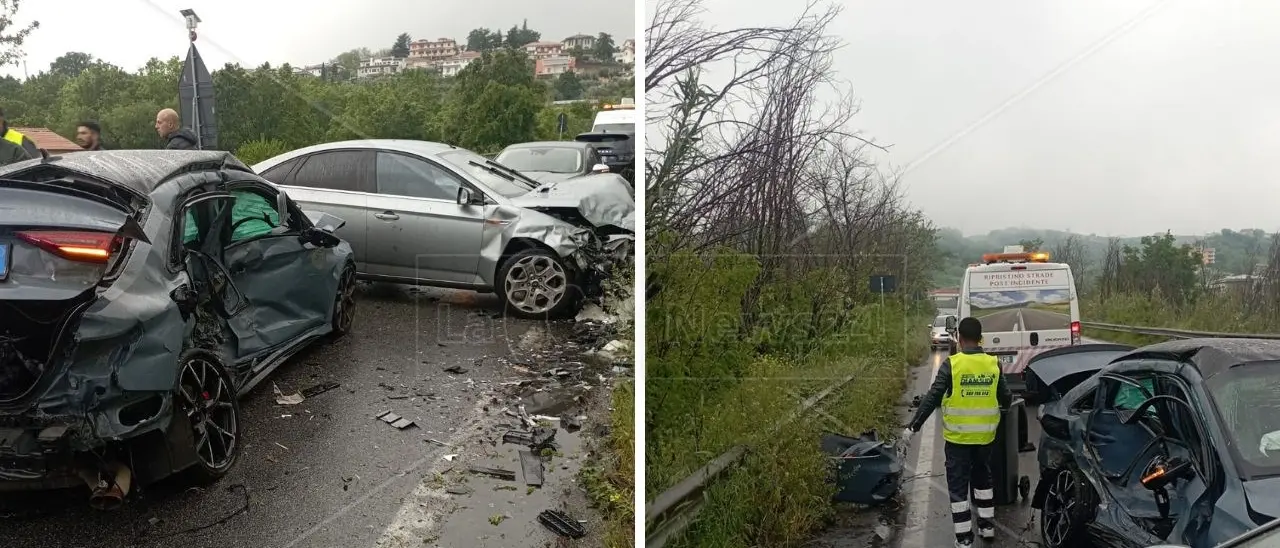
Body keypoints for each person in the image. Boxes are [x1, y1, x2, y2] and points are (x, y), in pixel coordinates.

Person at [903, 316, 1011, 547]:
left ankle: (964, 538)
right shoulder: (994, 364)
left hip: (959, 439)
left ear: (959, 338)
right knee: (983, 478)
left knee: (958, 487)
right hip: (985, 438)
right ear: (980, 339)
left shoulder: (952, 365)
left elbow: (933, 397)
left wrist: (913, 426)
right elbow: (1006, 397)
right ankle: (987, 525)